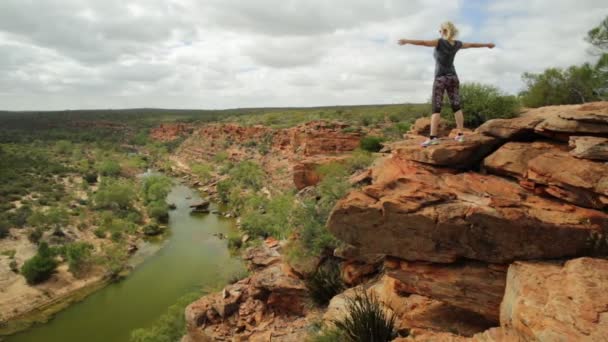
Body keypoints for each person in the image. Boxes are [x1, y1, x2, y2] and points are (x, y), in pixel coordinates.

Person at [398, 21, 495, 147]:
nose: (439, 32)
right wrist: (487, 45)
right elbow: (472, 44)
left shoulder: (439, 42)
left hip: (440, 78)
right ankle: (460, 135)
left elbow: (423, 43)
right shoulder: (457, 44)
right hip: (453, 77)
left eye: (440, 30)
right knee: (456, 106)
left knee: (436, 108)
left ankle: (433, 137)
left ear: (443, 31)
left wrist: (407, 40)